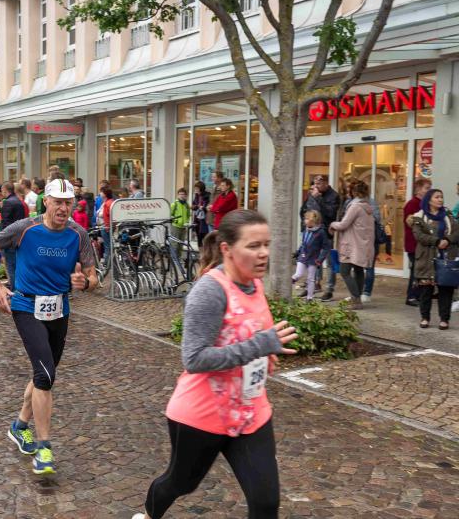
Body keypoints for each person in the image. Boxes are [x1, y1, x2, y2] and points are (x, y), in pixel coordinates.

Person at [132, 210, 298, 519]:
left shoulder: (255, 284)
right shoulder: (209, 291)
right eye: (253, 246)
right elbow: (194, 358)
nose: (263, 253)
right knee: (180, 483)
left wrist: (266, 355)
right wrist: (259, 346)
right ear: (227, 249)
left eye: (266, 244)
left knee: (265, 501)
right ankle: (149, 514)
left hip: (251, 412)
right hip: (202, 415)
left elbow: (253, 336)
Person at [0, 178, 98, 476]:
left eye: (68, 203)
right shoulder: (25, 228)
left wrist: (85, 283)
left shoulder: (78, 234)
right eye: (58, 202)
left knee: (44, 374)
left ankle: (19, 426)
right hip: (26, 305)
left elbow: (94, 277)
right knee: (45, 375)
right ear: (46, 201)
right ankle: (44, 449)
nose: (63, 208)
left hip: (59, 308)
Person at [407, 188, 459, 330]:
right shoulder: (419, 217)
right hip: (426, 258)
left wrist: (448, 240)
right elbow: (419, 236)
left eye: (441, 197)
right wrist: (436, 241)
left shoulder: (447, 215)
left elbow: (457, 231)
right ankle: (425, 318)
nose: (440, 199)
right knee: (426, 290)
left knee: (445, 290)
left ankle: (444, 319)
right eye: (437, 197)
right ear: (429, 200)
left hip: (445, 258)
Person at [328, 180, 375, 310]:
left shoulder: (355, 207)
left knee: (345, 271)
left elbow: (344, 224)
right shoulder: (367, 206)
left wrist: (332, 224)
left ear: (354, 192)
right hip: (362, 244)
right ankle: (357, 299)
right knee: (359, 270)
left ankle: (356, 299)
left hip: (352, 244)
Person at [299, 175, 341, 301]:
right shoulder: (313, 194)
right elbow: (304, 210)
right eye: (315, 183)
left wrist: (318, 199)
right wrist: (305, 224)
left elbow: (330, 213)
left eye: (319, 183)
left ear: (326, 183)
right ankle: (314, 284)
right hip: (311, 232)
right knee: (312, 260)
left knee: (329, 262)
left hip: (325, 232)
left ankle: (329, 289)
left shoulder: (333, 196)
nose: (316, 186)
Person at [404, 178, 433, 306]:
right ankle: (411, 296)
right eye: (427, 188)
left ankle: (419, 295)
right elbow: (412, 224)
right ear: (418, 190)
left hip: (422, 243)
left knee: (421, 270)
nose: (429, 191)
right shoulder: (412, 204)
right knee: (416, 270)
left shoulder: (424, 204)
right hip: (414, 243)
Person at [292, 211, 330, 301]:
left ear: (313, 221)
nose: (304, 220)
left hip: (314, 259)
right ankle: (286, 290)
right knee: (298, 274)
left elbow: (326, 248)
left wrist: (320, 259)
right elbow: (303, 243)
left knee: (311, 279)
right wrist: (298, 252)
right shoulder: (305, 230)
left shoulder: (321, 232)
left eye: (307, 219)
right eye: (305, 218)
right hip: (303, 256)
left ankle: (309, 298)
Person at [0, 182, 27, 287]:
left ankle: (14, 290)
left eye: (2, 190)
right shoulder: (19, 201)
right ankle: (19, 288)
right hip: (19, 238)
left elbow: (5, 223)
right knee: (17, 266)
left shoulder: (8, 202)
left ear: (5, 190)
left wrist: (2, 240)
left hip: (10, 240)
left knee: (11, 266)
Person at [191, 182, 210, 248]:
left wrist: (203, 207)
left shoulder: (207, 196)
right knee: (199, 239)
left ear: (201, 188)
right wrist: (196, 206)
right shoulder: (196, 196)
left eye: (197, 188)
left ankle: (206, 252)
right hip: (197, 220)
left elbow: (208, 207)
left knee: (205, 238)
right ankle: (201, 253)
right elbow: (193, 205)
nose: (195, 190)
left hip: (204, 220)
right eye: (195, 188)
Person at [100, 186, 115, 264]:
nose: (100, 193)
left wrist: (107, 227)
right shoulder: (112, 201)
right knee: (110, 245)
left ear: (105, 194)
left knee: (107, 246)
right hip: (111, 227)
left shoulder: (107, 203)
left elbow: (106, 216)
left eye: (101, 192)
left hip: (106, 227)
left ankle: (107, 263)